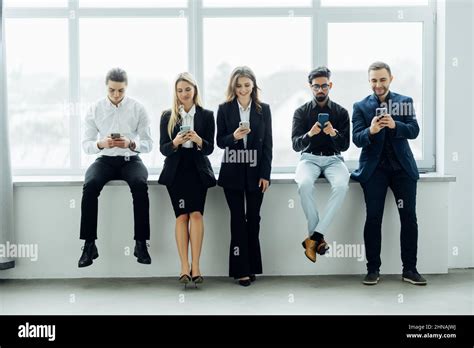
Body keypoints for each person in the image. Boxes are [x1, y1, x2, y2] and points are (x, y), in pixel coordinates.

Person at [352, 61, 427, 286]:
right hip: (374, 171)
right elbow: (356, 138)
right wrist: (371, 130)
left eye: (382, 79)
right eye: (374, 80)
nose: (378, 84)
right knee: (373, 218)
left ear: (391, 79)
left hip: (402, 170)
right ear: (369, 81)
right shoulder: (360, 106)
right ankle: (373, 269)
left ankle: (410, 270)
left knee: (409, 218)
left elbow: (414, 131)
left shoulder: (404, 102)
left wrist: (395, 125)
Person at [78, 67, 153, 267]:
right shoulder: (94, 109)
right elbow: (86, 144)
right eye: (112, 90)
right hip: (105, 159)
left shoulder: (138, 108)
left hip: (131, 159)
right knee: (90, 185)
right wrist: (101, 144)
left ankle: (141, 243)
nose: (116, 94)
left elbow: (148, 143)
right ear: (106, 87)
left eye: (120, 90)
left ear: (126, 87)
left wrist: (131, 143)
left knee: (139, 184)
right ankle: (89, 245)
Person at [216, 66, 273, 287]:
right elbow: (220, 141)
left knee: (254, 220)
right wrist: (234, 136)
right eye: (238, 86)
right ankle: (241, 270)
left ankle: (252, 267)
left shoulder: (263, 109)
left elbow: (268, 144)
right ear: (233, 87)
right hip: (232, 172)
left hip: (256, 172)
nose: (242, 89)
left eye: (247, 85)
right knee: (238, 220)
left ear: (253, 86)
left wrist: (265, 174)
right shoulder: (224, 109)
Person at [158, 72, 216, 286]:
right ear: (176, 92)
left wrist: (198, 139)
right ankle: (184, 266)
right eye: (180, 90)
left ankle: (197, 266)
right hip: (177, 170)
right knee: (181, 216)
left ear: (195, 90)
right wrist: (175, 142)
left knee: (197, 215)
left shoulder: (207, 115)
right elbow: (163, 149)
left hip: (198, 170)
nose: (184, 94)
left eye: (187, 89)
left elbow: (210, 148)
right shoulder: (167, 116)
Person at [292, 67, 350, 263]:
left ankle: (314, 238)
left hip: (334, 159)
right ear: (310, 87)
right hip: (309, 158)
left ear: (330, 86)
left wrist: (333, 133)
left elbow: (345, 145)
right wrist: (310, 134)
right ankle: (319, 238)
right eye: (316, 86)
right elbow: (295, 145)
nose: (320, 90)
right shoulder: (301, 112)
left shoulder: (341, 112)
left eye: (324, 86)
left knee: (342, 186)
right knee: (305, 184)